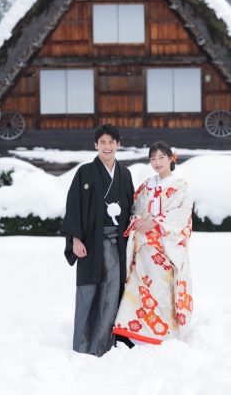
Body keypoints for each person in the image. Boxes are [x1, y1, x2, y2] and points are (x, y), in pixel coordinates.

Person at [60, 123, 135, 356]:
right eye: (102, 142)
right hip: (90, 244)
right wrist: (75, 239)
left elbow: (132, 208)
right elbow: (74, 206)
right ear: (95, 145)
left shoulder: (124, 174)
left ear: (118, 144)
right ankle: (83, 346)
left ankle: (105, 344)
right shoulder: (84, 172)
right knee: (88, 292)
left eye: (111, 142)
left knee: (112, 293)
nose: (107, 146)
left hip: (116, 244)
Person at [112, 141, 193, 345]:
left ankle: (162, 332)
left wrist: (156, 222)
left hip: (165, 247)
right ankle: (133, 330)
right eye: (153, 158)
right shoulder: (146, 186)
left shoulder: (180, 185)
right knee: (139, 288)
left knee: (161, 290)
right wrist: (137, 220)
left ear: (171, 158)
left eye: (161, 157)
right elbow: (134, 209)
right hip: (144, 246)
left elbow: (183, 214)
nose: (157, 162)